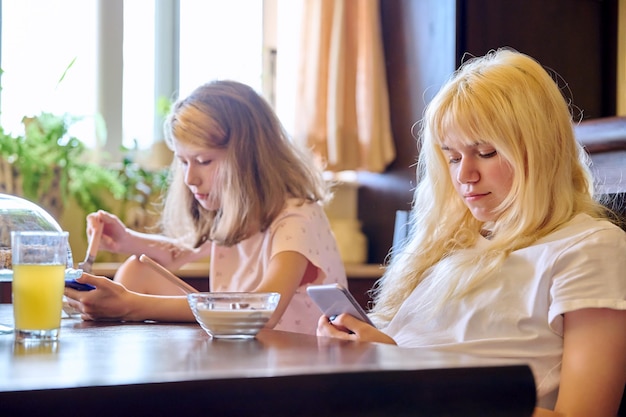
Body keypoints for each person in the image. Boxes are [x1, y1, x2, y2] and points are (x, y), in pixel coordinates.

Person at [316, 48, 626, 417]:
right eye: (452, 157)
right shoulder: (450, 248)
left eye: (486, 152)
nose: (465, 176)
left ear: (541, 151)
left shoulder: (589, 249)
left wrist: (400, 370)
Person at [64, 80, 347, 335]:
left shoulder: (295, 220)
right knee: (136, 270)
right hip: (246, 354)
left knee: (132, 287)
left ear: (250, 159)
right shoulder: (238, 213)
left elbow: (263, 311)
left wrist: (132, 305)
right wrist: (128, 240)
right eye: (183, 162)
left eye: (204, 161)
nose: (189, 178)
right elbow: (180, 253)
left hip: (294, 369)